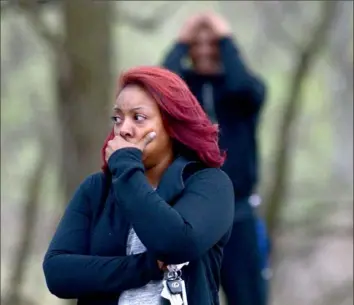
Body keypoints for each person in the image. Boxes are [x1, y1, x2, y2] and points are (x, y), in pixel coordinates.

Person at [43, 66, 235, 305]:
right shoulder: (97, 189)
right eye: (117, 118)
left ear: (172, 124)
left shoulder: (209, 184)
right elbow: (57, 272)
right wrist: (144, 267)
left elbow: (177, 244)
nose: (123, 129)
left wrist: (126, 169)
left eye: (139, 118)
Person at [162, 12, 268, 305]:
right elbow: (159, 87)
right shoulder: (184, 90)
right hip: (192, 215)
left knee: (248, 297)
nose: (206, 49)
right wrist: (181, 41)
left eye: (213, 44)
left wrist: (226, 38)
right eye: (198, 44)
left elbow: (245, 89)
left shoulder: (242, 92)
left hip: (239, 213)